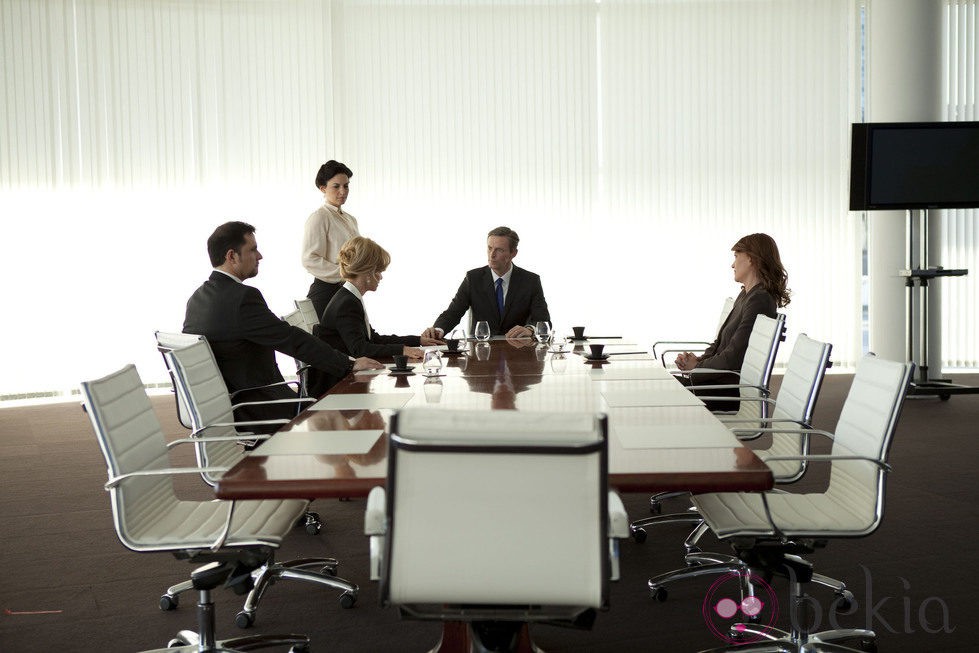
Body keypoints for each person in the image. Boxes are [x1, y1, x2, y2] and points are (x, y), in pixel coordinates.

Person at [184, 221, 383, 428]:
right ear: (232, 256)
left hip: (221, 406)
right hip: (256, 406)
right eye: (253, 249)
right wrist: (349, 364)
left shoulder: (197, 298)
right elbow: (290, 339)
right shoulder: (241, 298)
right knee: (340, 412)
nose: (259, 256)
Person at [309, 237, 442, 395]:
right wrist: (402, 350)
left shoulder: (350, 297)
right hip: (338, 388)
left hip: (346, 381)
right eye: (378, 272)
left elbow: (374, 339)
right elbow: (360, 349)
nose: (381, 277)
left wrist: (417, 341)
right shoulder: (347, 303)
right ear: (367, 272)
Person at [674, 232, 791, 410]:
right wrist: (698, 361)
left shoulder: (759, 300)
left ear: (751, 259)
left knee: (658, 388)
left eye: (736, 257)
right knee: (658, 384)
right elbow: (721, 343)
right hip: (717, 384)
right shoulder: (746, 294)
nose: (732, 264)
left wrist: (697, 368)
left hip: (726, 391)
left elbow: (734, 356)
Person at [422, 226, 550, 339]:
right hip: (481, 352)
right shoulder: (473, 278)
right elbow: (453, 312)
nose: (492, 255)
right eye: (489, 248)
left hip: (518, 352)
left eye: (499, 250)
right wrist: (438, 330)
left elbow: (543, 321)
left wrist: (530, 330)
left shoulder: (530, 281)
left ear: (513, 253)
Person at [302, 160, 360, 319]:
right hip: (326, 292)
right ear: (323, 188)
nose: (343, 191)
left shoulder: (350, 219)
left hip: (347, 290)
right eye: (336, 186)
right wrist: (345, 274)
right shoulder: (319, 217)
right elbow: (309, 259)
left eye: (346, 186)